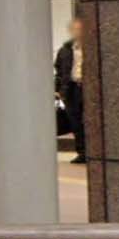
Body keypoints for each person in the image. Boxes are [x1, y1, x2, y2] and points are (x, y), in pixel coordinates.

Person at [53, 14, 86, 162]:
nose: (77, 32)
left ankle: (94, 153)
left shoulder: (93, 47)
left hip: (88, 88)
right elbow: (60, 71)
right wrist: (58, 89)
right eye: (74, 29)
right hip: (71, 89)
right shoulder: (65, 49)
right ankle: (82, 152)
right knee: (75, 121)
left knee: (90, 121)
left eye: (80, 29)